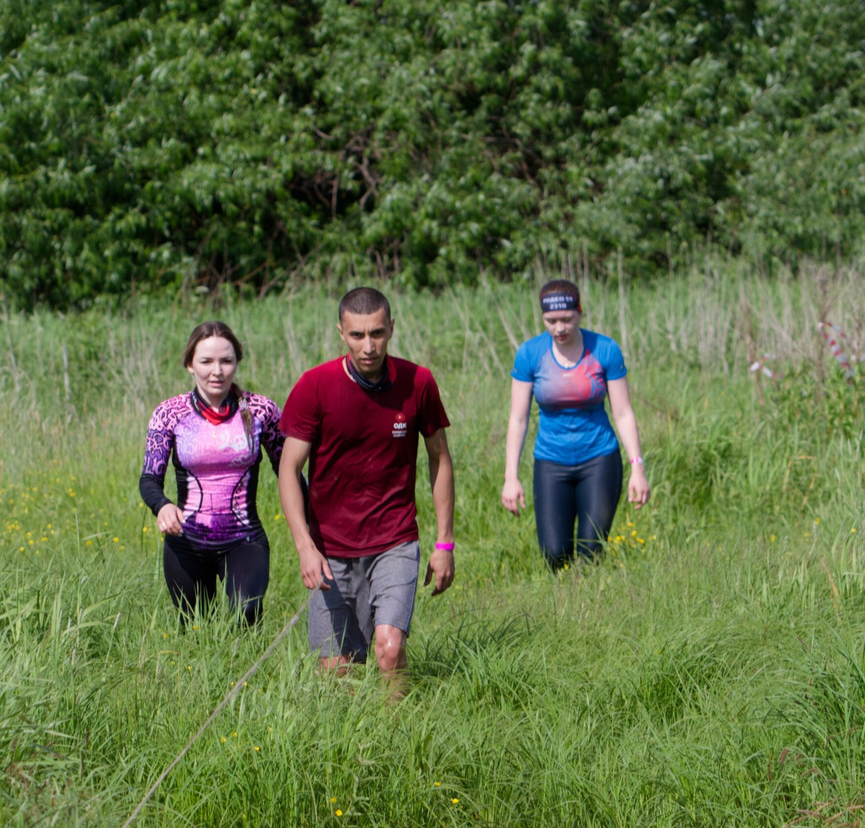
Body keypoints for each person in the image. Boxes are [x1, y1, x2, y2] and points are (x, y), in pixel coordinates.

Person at [276, 288, 456, 681]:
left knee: (390, 649)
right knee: (336, 672)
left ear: (392, 328)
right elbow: (289, 469)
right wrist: (305, 547)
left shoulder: (418, 382)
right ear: (341, 333)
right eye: (357, 335)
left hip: (394, 540)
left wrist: (445, 543)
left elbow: (440, 457)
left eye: (377, 333)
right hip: (330, 548)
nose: (368, 346)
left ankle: (401, 719)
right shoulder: (315, 385)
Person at [140, 321, 284, 624]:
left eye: (226, 361)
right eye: (206, 361)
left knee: (246, 614)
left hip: (244, 539)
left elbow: (290, 471)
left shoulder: (262, 410)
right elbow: (149, 479)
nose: (217, 371)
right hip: (186, 541)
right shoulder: (169, 413)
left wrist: (315, 526)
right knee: (195, 628)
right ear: (190, 365)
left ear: (237, 362)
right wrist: (162, 506)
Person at [500, 279, 649, 570]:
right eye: (551, 320)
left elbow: (623, 414)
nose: (560, 328)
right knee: (554, 553)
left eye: (567, 319)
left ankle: (591, 596)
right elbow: (518, 419)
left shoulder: (605, 349)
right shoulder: (530, 354)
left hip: (599, 458)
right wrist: (511, 477)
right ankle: (564, 595)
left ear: (580, 311)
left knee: (591, 550)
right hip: (550, 461)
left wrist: (637, 468)